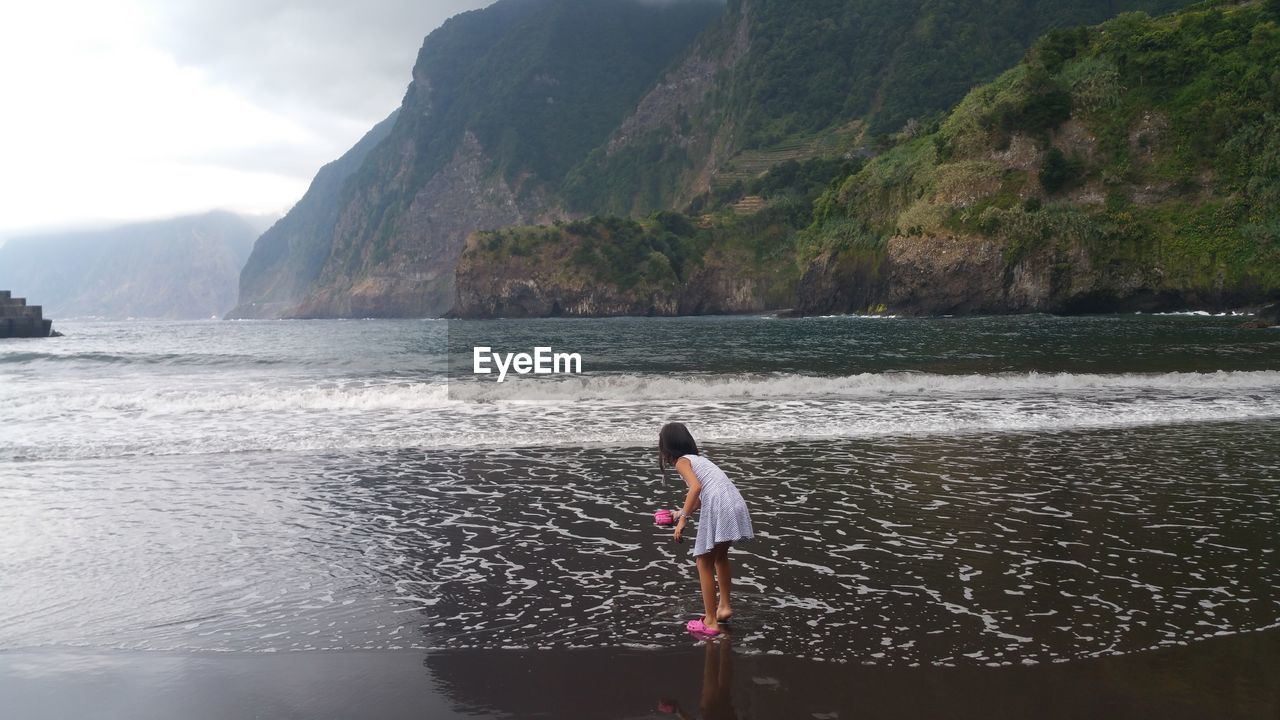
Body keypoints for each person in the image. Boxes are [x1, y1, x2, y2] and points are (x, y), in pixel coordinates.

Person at [658, 422, 754, 637]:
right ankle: (724, 607)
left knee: (703, 561)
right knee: (720, 557)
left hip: (720, 505)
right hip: (734, 502)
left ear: (666, 448)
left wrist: (683, 519)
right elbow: (702, 494)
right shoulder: (699, 460)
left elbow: (696, 488)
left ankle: (710, 621)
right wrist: (677, 513)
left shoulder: (682, 462)